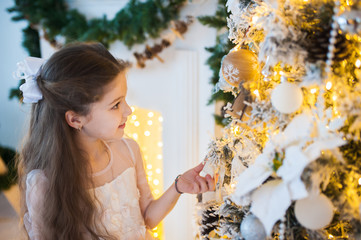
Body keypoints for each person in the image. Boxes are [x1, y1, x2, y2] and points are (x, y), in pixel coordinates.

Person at [16, 42, 215, 240]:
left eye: (124, 100)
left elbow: (147, 219)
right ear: (75, 119)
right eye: (115, 105)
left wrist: (178, 186)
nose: (128, 111)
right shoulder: (44, 184)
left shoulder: (129, 150)